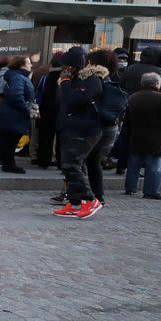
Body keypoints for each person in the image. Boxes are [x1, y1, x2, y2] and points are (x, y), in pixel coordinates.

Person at [52, 47, 103, 219]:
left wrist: (65, 82)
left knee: (73, 164)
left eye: (67, 66)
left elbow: (75, 100)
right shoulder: (73, 79)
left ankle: (90, 200)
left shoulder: (91, 80)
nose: (65, 69)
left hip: (85, 129)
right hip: (70, 128)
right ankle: (74, 202)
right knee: (68, 165)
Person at [116, 45, 161, 174]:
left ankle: (121, 164)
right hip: (151, 111)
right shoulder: (159, 72)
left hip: (129, 106)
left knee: (126, 136)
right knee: (144, 141)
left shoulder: (130, 69)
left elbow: (121, 86)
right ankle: (141, 166)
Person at [124, 72, 161, 200]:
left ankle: (130, 188)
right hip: (157, 138)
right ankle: (151, 191)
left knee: (133, 164)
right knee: (154, 166)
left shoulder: (133, 97)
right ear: (157, 83)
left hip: (137, 136)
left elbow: (127, 119)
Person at [82, 49, 120, 205]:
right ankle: (98, 196)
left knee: (82, 160)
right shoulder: (113, 79)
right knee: (94, 161)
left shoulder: (94, 80)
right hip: (109, 125)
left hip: (94, 125)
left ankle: (82, 195)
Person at [0, 56, 35, 174]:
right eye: (28, 63)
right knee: (11, 141)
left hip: (11, 114)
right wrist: (29, 110)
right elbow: (16, 96)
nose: (31, 65)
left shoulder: (17, 76)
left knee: (9, 140)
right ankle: (9, 164)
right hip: (14, 115)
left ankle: (8, 163)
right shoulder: (19, 77)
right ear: (21, 65)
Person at [36, 52, 64, 169]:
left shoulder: (46, 76)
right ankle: (60, 161)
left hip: (45, 110)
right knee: (60, 138)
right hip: (59, 111)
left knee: (45, 137)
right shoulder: (64, 78)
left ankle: (43, 160)